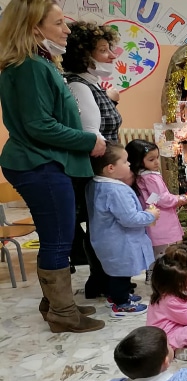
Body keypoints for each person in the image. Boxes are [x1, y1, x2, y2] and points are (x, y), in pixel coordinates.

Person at [0, 0, 106, 333]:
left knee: (56, 237)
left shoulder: (36, 62)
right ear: (34, 28)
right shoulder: (30, 65)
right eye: (59, 23)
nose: (66, 30)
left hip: (41, 161)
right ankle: (62, 313)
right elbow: (39, 125)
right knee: (58, 239)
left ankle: (57, 304)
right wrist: (88, 141)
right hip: (39, 163)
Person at [62, 21, 123, 297]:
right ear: (83, 54)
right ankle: (102, 281)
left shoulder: (92, 85)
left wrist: (110, 97)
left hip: (106, 170)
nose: (111, 56)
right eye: (103, 50)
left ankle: (105, 279)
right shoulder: (79, 86)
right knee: (101, 229)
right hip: (96, 172)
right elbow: (93, 138)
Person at [87, 144, 155, 317]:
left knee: (115, 270)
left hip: (106, 238)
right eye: (125, 162)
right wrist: (150, 215)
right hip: (120, 241)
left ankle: (117, 296)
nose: (130, 165)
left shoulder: (95, 184)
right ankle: (122, 304)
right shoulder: (116, 190)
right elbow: (129, 218)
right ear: (111, 168)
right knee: (121, 273)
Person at [127, 139, 187, 281]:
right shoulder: (151, 178)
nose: (156, 162)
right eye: (151, 159)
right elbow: (163, 199)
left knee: (154, 250)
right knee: (163, 251)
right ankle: (160, 277)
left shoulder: (138, 176)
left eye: (157, 158)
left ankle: (153, 274)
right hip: (161, 219)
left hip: (151, 218)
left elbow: (153, 198)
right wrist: (181, 199)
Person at [146, 245, 187, 349]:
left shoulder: (168, 292)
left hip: (171, 330)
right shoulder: (170, 301)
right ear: (180, 281)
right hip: (166, 339)